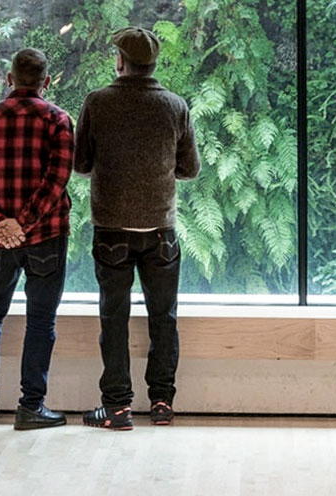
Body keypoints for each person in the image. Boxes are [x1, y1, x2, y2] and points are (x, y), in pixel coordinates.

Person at [73, 26, 200, 430]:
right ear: (153, 64)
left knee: (114, 317)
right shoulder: (175, 106)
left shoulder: (98, 102)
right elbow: (190, 169)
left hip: (111, 229)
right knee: (164, 317)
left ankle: (117, 408)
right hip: (160, 229)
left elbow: (80, 163)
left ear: (121, 62)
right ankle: (162, 403)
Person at [0, 47, 74, 431]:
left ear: (9, 79)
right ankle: (31, 407)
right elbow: (57, 180)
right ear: (47, 80)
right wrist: (24, 223)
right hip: (47, 235)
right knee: (40, 320)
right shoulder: (59, 120)